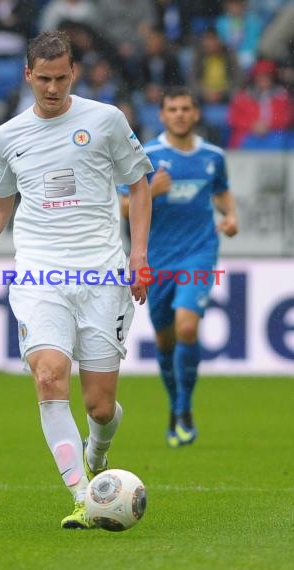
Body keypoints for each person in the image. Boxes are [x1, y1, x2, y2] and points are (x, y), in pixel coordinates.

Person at [0, 31, 152, 528]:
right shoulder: (8, 136)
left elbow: (139, 185)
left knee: (100, 407)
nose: (53, 88)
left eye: (61, 78)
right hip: (39, 274)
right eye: (44, 79)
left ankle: (98, 454)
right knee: (48, 375)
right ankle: (82, 496)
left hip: (102, 275)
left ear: (74, 73)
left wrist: (139, 255)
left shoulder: (106, 121)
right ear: (27, 75)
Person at [120, 86, 238, 448]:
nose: (180, 114)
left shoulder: (213, 156)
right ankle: (176, 406)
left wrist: (231, 215)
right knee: (165, 339)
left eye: (186, 108)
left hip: (199, 252)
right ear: (162, 115)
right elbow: (123, 206)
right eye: (173, 109)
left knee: (188, 326)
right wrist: (150, 193)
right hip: (157, 257)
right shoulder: (147, 155)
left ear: (196, 113)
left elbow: (220, 192)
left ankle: (185, 408)